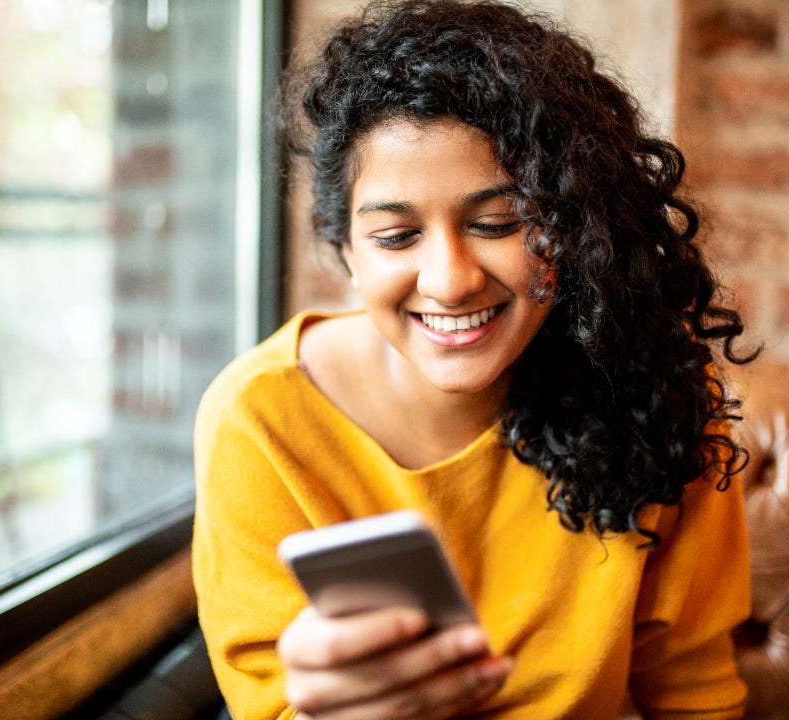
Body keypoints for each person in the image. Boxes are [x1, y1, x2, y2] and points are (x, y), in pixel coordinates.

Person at [192, 0, 758, 717]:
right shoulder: (260, 421)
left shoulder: (655, 387)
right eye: (396, 237)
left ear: (576, 225)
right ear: (346, 252)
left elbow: (694, 692)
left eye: (499, 223)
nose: (451, 279)